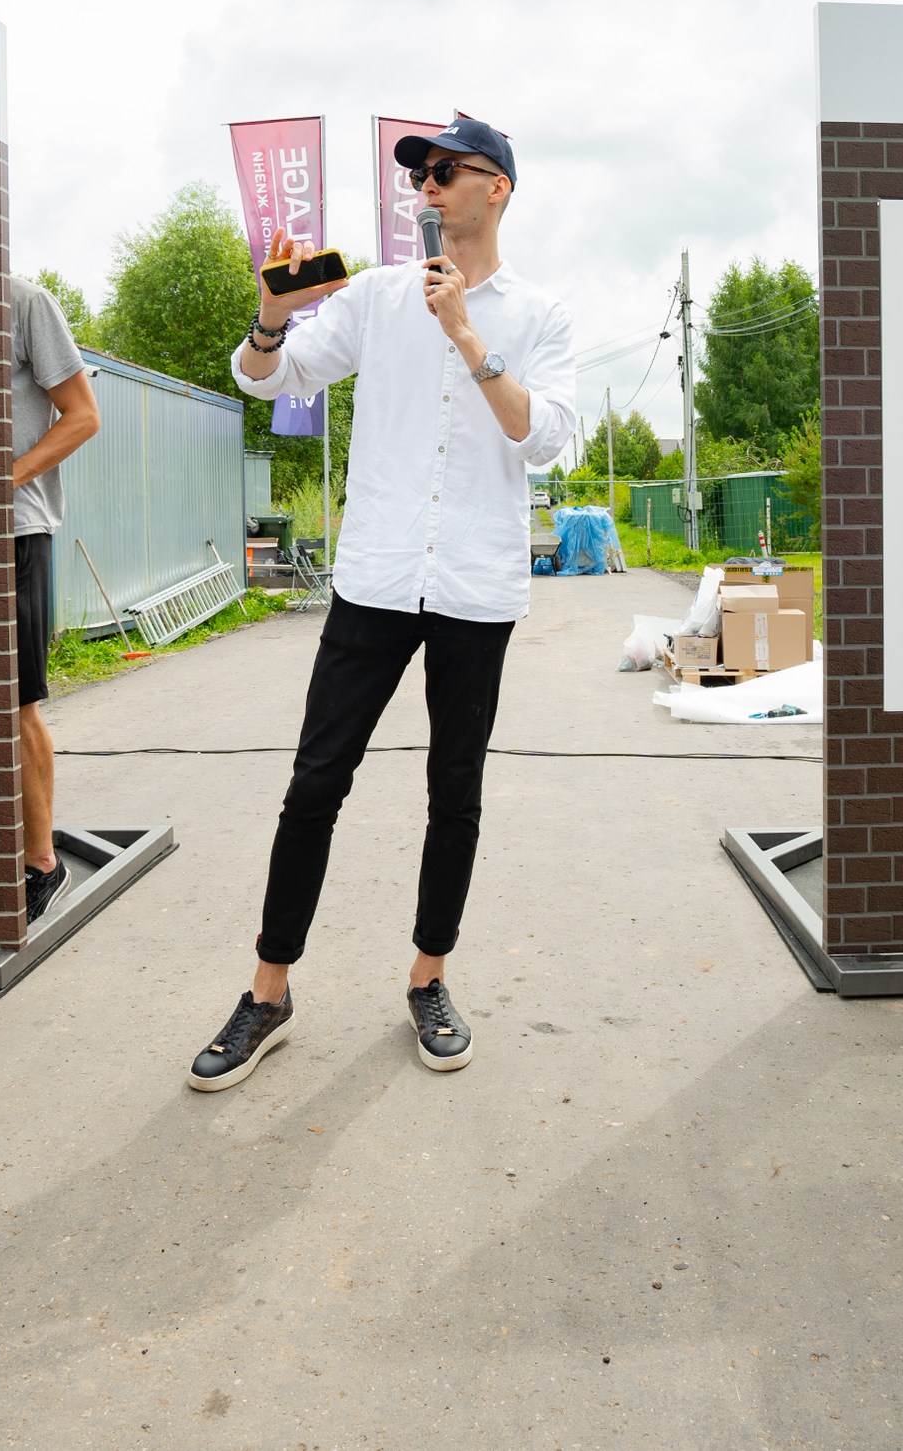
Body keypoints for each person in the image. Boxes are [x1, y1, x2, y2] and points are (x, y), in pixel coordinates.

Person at [185, 114, 576, 1091]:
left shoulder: (539, 315)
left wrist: (469, 339)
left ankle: (429, 977)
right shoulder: (374, 297)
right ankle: (268, 992)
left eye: (447, 173)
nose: (429, 188)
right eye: (422, 176)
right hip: (377, 577)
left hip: (476, 586)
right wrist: (271, 319)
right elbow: (269, 376)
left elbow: (546, 442)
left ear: (499, 188)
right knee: (315, 782)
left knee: (455, 794)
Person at [7, 277, 101, 921]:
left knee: (15, 701)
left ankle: (42, 861)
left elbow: (84, 415)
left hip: (14, 528)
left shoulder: (22, 300)